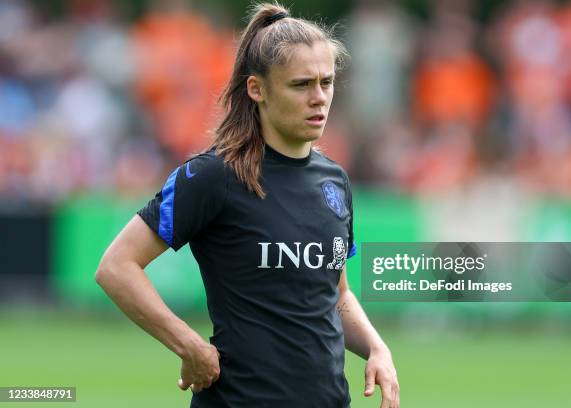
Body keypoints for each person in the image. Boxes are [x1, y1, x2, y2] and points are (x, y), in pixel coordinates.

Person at [95, 3, 399, 407]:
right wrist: (189, 346)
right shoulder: (214, 176)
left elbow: (336, 293)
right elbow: (116, 268)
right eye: (301, 84)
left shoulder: (335, 181)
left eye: (327, 82)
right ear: (257, 89)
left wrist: (378, 348)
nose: (319, 98)